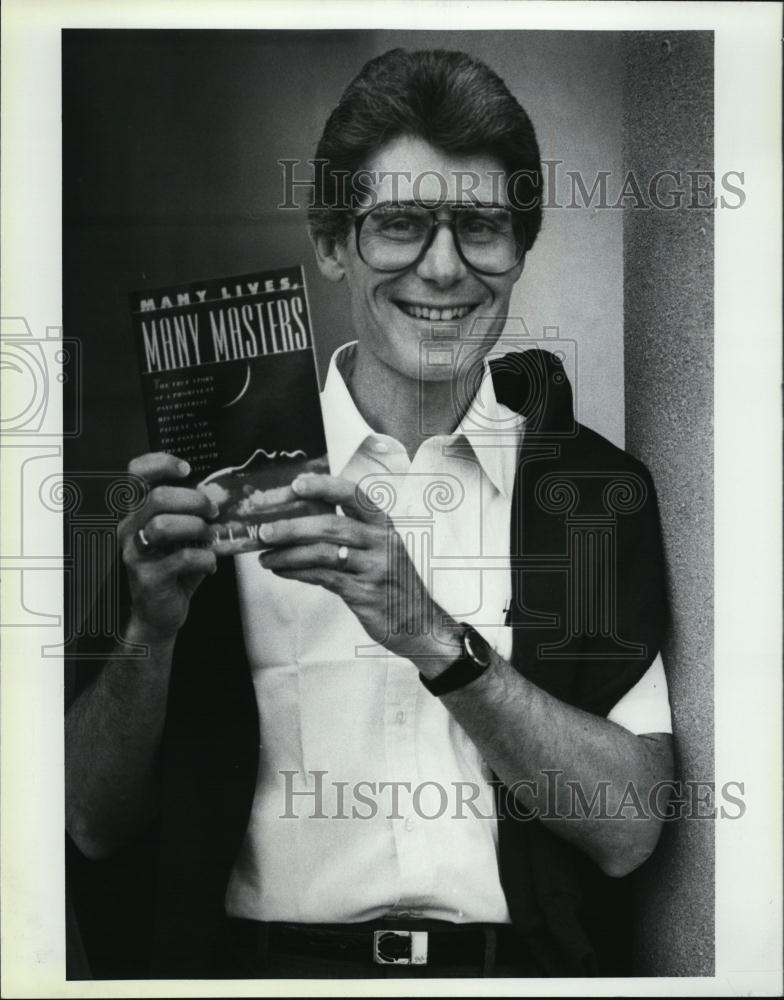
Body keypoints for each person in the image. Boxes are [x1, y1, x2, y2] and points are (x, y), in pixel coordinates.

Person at [65, 48, 673, 979]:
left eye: (481, 228)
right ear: (333, 240)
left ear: (521, 251)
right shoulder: (212, 484)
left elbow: (632, 828)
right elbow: (92, 826)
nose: (443, 268)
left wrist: (436, 639)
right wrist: (149, 632)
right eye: (399, 225)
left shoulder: (594, 491)